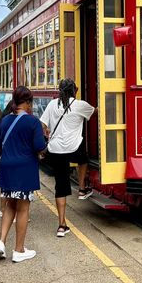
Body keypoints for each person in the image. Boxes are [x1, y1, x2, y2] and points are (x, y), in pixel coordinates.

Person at [0, 86, 46, 262]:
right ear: (29, 102)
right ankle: (19, 249)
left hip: (7, 167)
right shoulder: (33, 122)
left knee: (9, 206)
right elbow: (39, 148)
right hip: (25, 168)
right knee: (23, 208)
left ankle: (1, 242)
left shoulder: (6, 120)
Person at [40, 79, 97, 237]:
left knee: (61, 187)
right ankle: (82, 188)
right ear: (75, 90)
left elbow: (42, 125)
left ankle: (61, 225)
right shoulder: (80, 105)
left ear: (59, 90)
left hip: (56, 150)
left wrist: (45, 136)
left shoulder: (53, 105)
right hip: (73, 148)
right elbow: (96, 111)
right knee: (84, 158)